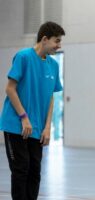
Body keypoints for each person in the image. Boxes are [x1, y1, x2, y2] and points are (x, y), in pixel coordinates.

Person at [0, 21, 65, 200]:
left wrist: (47, 127)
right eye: (56, 41)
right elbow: (10, 89)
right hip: (16, 124)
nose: (59, 46)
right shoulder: (23, 57)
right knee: (21, 169)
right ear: (44, 39)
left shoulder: (53, 64)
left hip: (37, 128)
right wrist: (23, 117)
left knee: (35, 171)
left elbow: (51, 96)